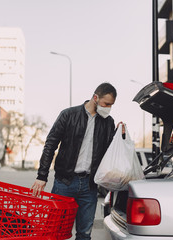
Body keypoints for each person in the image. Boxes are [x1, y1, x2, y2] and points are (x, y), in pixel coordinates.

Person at [32, 82, 122, 240]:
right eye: (106, 103)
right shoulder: (68, 115)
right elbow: (50, 145)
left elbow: (109, 152)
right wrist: (42, 176)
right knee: (56, 231)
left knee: (84, 234)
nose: (108, 108)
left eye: (111, 105)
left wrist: (119, 136)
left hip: (89, 186)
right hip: (64, 183)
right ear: (95, 97)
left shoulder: (108, 122)